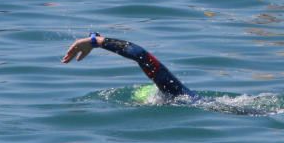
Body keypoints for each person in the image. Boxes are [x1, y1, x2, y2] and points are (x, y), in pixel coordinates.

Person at [62, 33, 195, 99]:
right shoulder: (183, 97)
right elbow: (143, 57)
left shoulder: (178, 96)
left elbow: (141, 56)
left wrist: (96, 41)